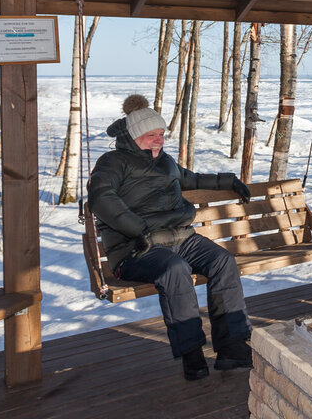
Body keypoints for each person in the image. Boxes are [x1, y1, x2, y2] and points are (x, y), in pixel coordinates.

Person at [88, 94, 255, 381]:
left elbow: (193, 179)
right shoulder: (112, 163)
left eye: (161, 135)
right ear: (133, 135)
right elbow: (101, 198)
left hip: (181, 237)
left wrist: (229, 181)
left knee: (223, 262)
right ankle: (192, 354)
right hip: (137, 248)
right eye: (151, 135)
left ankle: (232, 348)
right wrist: (138, 230)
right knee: (174, 270)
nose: (158, 140)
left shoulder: (165, 162)